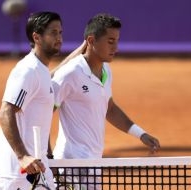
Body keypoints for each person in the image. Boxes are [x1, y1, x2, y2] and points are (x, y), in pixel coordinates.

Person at [51, 13, 160, 189]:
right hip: (70, 165)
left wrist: (141, 134)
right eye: (110, 41)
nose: (116, 47)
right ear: (91, 40)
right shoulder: (69, 74)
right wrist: (50, 160)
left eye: (117, 41)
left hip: (94, 163)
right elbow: (44, 113)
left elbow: (109, 109)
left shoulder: (106, 71)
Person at [0, 11, 63, 190]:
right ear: (37, 37)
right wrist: (23, 156)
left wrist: (49, 156)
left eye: (60, 32)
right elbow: (5, 112)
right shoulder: (28, 70)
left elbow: (39, 119)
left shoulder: (42, 72)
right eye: (53, 33)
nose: (59, 38)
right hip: (18, 175)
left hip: (39, 168)